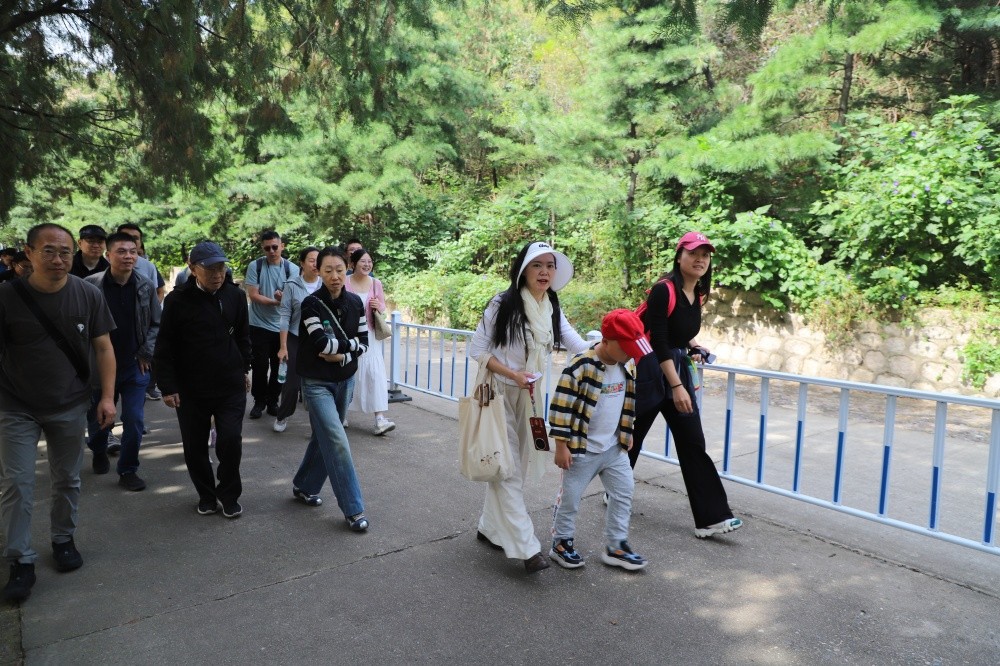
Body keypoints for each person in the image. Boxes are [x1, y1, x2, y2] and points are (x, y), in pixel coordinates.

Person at [0, 223, 117, 603]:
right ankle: (20, 559)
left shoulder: (87, 294)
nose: (58, 258)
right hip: (15, 405)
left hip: (69, 402)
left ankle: (63, 539)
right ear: (29, 253)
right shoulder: (6, 296)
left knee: (67, 478)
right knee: (17, 483)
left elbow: (104, 348)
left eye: (65, 252)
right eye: (48, 250)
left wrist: (107, 397)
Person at [467, 241, 588, 574]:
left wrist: (610, 351)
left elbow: (578, 344)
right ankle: (526, 547)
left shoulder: (550, 307)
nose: (545, 271)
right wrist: (513, 374)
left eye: (550, 265)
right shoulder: (502, 304)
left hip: (530, 396)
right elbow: (477, 350)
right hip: (497, 393)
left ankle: (489, 527)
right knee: (507, 468)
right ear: (523, 270)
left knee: (514, 465)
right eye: (537, 265)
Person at [631, 231, 743, 538]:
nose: (700, 260)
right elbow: (660, 340)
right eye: (693, 253)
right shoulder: (663, 290)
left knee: (693, 442)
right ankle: (616, 490)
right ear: (679, 256)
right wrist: (677, 386)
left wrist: (694, 345)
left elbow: (678, 332)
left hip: (675, 367)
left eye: (705, 255)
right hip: (653, 371)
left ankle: (712, 518)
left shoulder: (698, 293)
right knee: (631, 438)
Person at [153, 241, 251, 519]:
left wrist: (245, 368)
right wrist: (168, 386)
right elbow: (165, 346)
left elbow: (243, 336)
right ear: (193, 268)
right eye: (210, 269)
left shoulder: (235, 296)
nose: (217, 274)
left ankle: (229, 495)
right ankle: (207, 495)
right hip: (191, 387)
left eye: (221, 268)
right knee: (195, 446)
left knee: (230, 440)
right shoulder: (177, 300)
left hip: (229, 384)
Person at [548, 309, 649, 571]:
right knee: (570, 499)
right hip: (581, 450)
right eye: (626, 348)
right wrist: (561, 446)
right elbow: (561, 408)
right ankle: (561, 543)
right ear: (606, 340)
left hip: (614, 448)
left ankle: (616, 545)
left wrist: (627, 432)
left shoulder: (627, 364)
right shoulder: (581, 366)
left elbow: (628, 401)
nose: (630, 354)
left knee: (624, 493)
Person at [291, 247, 370, 532]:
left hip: (345, 380)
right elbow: (322, 345)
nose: (335, 276)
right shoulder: (310, 304)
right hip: (316, 383)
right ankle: (353, 509)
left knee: (324, 435)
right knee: (336, 439)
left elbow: (365, 342)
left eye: (339, 270)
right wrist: (351, 347)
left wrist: (344, 355)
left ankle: (304, 485)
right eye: (328, 270)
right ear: (318, 271)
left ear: (346, 268)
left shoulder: (356, 303)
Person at [84, 232, 161, 491]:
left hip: (134, 365)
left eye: (133, 251)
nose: (128, 256)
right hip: (99, 367)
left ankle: (128, 469)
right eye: (122, 251)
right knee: (98, 421)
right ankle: (98, 449)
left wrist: (146, 352)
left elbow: (156, 323)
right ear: (108, 255)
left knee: (134, 420)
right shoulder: (90, 285)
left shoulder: (145, 286)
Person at [245, 230, 299, 419]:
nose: (272, 251)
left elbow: (294, 297)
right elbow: (253, 295)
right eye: (267, 248)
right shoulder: (256, 266)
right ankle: (259, 401)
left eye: (275, 247)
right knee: (259, 366)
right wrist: (277, 302)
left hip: (282, 326)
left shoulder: (292, 269)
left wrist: (284, 299)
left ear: (282, 246)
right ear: (263, 248)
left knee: (279, 366)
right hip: (258, 324)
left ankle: (272, 401)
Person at [345, 248, 394, 435]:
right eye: (363, 261)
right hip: (350, 334)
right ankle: (342, 413)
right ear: (353, 264)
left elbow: (382, 307)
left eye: (369, 261)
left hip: (371, 335)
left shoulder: (376, 283)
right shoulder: (345, 282)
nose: (367, 265)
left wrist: (377, 305)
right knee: (348, 371)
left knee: (374, 373)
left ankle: (379, 418)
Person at [274, 246, 322, 433]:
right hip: (295, 338)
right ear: (302, 263)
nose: (315, 264)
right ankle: (283, 415)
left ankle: (318, 423)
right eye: (311, 260)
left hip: (318, 339)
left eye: (318, 260)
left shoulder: (325, 283)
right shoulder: (292, 284)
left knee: (318, 383)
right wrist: (283, 346)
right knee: (292, 383)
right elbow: (285, 315)